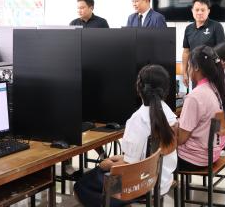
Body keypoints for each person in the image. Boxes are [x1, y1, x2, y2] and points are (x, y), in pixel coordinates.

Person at [74, 65, 177, 207]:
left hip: (140, 184)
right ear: (166, 89)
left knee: (82, 186)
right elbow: (142, 158)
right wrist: (120, 159)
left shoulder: (137, 119)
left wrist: (107, 164)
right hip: (161, 181)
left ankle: (117, 202)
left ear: (139, 87)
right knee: (104, 172)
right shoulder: (170, 115)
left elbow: (129, 167)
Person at [176, 45, 225, 170]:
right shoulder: (220, 89)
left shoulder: (195, 96)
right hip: (213, 154)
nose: (188, 69)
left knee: (156, 153)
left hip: (194, 159)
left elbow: (181, 139)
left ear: (196, 67)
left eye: (189, 66)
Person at [181, 0, 225, 87]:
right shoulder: (188, 29)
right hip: (195, 72)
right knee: (197, 95)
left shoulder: (216, 26)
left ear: (208, 11)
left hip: (212, 73)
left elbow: (222, 51)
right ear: (192, 11)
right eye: (197, 10)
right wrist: (184, 73)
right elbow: (186, 52)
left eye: (203, 10)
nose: (199, 12)